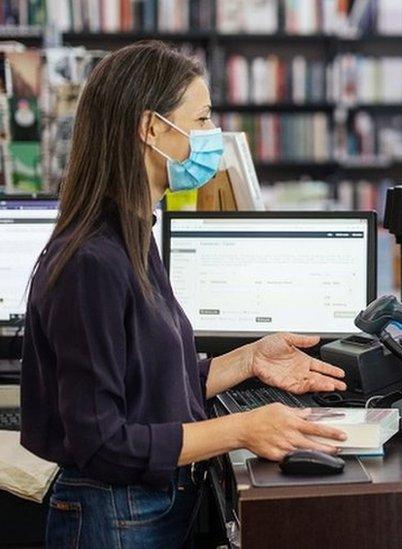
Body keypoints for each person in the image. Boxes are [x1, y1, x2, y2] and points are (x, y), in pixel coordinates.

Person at [19, 42, 349, 548]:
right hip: (115, 517)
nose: (210, 136)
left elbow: (144, 389)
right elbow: (103, 441)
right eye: (200, 120)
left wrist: (249, 360)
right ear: (151, 129)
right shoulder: (92, 261)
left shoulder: (132, 234)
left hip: (144, 509)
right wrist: (243, 429)